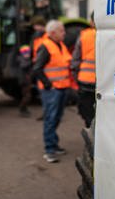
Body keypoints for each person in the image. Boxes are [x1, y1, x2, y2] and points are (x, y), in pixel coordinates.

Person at [33, 20, 71, 163]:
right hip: (52, 91)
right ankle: (49, 150)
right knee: (50, 119)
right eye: (62, 30)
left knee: (56, 118)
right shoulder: (45, 46)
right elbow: (37, 68)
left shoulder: (60, 45)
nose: (64, 33)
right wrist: (49, 85)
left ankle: (54, 145)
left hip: (61, 88)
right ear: (53, 33)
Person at [71, 15, 96, 128]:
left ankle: (91, 140)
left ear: (91, 21)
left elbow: (76, 60)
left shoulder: (84, 35)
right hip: (106, 83)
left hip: (85, 81)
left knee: (88, 113)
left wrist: (76, 77)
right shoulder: (114, 34)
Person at [30, 16, 47, 121]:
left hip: (45, 68)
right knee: (42, 92)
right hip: (38, 67)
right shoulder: (36, 36)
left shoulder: (47, 36)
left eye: (36, 26)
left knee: (47, 93)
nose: (35, 28)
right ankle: (46, 112)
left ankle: (49, 113)